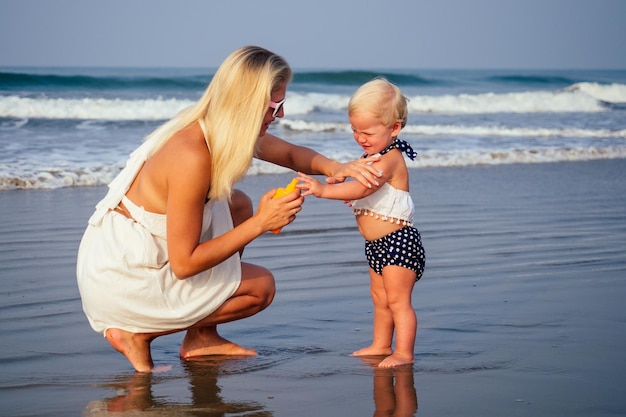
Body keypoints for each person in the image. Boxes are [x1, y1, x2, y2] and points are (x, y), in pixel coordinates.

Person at [76, 46, 382, 373]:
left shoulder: (218, 128)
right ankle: (136, 333)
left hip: (135, 255)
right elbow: (184, 264)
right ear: (246, 103)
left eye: (282, 104)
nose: (280, 115)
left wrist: (337, 167)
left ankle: (201, 338)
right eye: (274, 105)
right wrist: (262, 223)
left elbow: (291, 155)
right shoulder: (192, 155)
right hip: (123, 277)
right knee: (260, 287)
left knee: (237, 204)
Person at [297, 78, 425, 367]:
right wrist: (337, 178)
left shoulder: (390, 158)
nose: (360, 138)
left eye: (367, 132)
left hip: (399, 243)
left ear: (394, 128)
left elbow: (364, 188)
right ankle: (381, 344)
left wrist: (324, 190)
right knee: (379, 298)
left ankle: (404, 352)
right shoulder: (371, 156)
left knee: (397, 301)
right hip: (376, 245)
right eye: (354, 130)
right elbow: (358, 184)